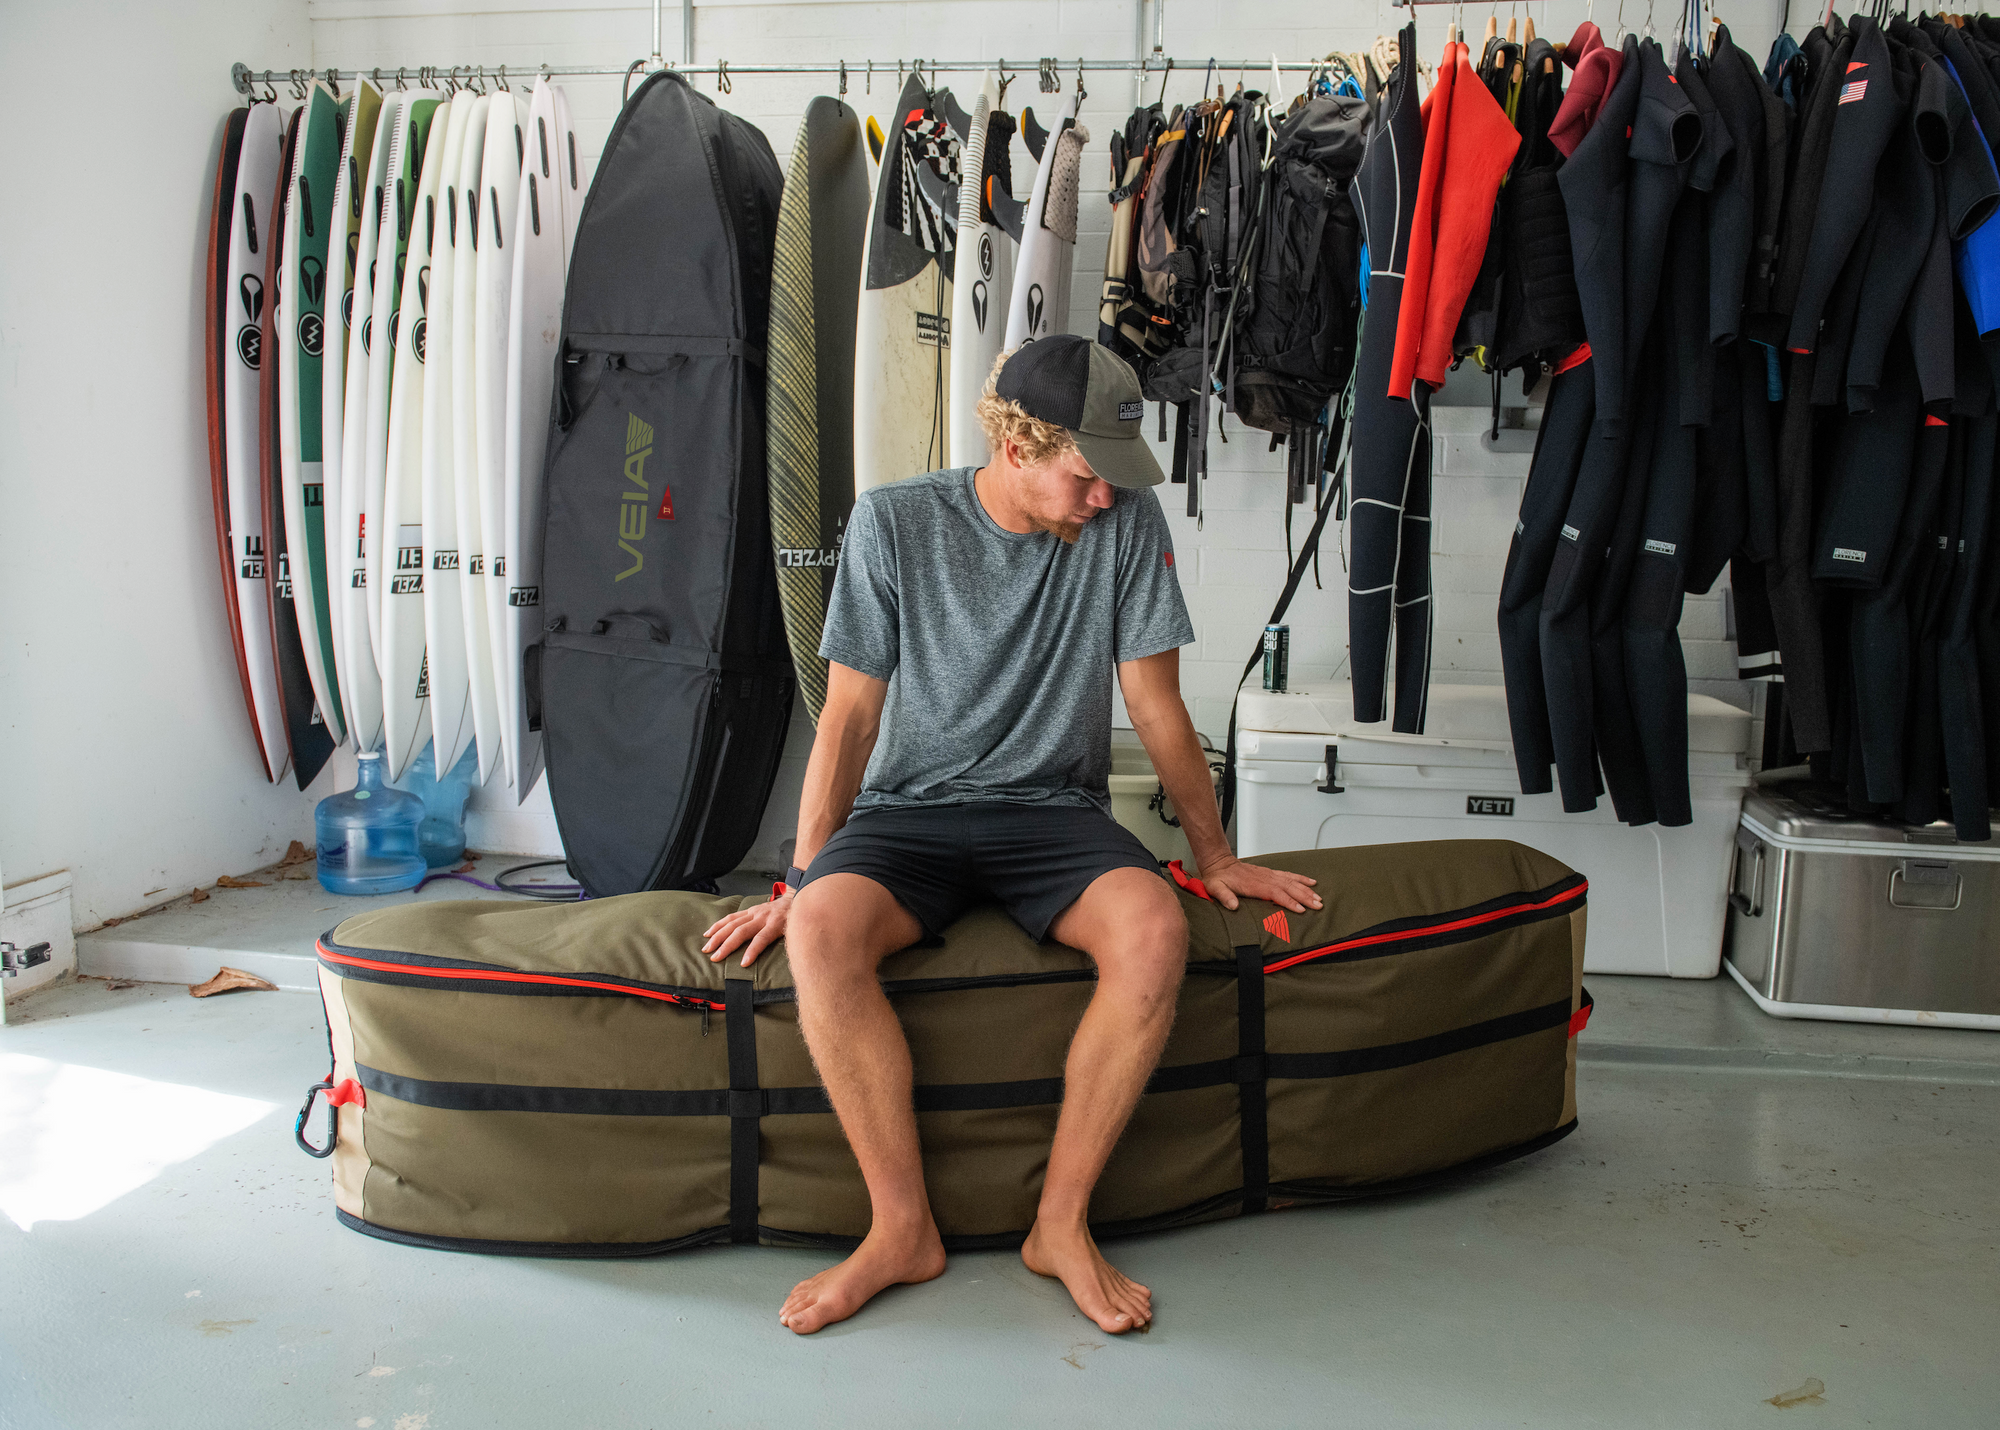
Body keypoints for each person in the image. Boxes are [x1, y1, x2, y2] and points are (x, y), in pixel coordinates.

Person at [701, 336, 1321, 1336]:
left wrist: (1214, 857)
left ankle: (1060, 1224)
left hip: (1053, 811)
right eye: (1085, 476)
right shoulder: (894, 522)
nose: (1105, 498)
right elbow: (850, 717)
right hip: (909, 812)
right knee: (819, 932)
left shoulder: (1123, 522)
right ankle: (900, 1228)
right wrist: (803, 881)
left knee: (1153, 929)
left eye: (1116, 479)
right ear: (1013, 441)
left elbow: (1156, 706)